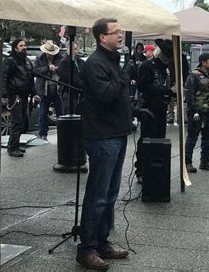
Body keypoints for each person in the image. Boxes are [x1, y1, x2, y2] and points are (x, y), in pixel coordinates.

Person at [77, 18, 153, 270]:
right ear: (102, 37)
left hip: (117, 134)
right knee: (98, 195)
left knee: (110, 195)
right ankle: (86, 249)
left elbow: (117, 96)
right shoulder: (94, 64)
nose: (120, 35)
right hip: (101, 137)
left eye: (121, 31)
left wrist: (135, 109)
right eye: (116, 32)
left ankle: (102, 242)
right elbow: (107, 95)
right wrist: (125, 74)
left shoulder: (112, 60)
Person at [135, 39, 175, 183]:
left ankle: (155, 168)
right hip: (149, 107)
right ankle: (141, 170)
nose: (168, 59)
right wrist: (167, 90)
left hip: (161, 107)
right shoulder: (147, 65)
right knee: (146, 139)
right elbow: (143, 86)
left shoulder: (166, 68)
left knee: (159, 138)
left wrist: (173, 92)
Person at [2, 38, 40, 157]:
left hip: (24, 96)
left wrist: (34, 93)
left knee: (22, 122)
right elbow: (4, 78)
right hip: (15, 95)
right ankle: (12, 147)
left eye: (25, 45)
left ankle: (15, 145)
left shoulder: (27, 61)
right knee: (17, 122)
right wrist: (5, 95)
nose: (24, 47)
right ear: (15, 48)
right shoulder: (10, 61)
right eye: (21, 45)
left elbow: (30, 80)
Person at [184, 53, 209, 173]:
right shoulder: (193, 76)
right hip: (197, 112)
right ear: (203, 62)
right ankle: (187, 162)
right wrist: (193, 110)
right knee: (192, 138)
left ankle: (205, 161)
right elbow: (189, 94)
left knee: (207, 137)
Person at [34, 40, 63, 140]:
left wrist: (57, 69)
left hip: (57, 87)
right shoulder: (39, 58)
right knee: (43, 113)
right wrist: (47, 68)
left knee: (60, 112)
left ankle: (62, 133)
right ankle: (43, 134)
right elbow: (36, 71)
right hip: (44, 89)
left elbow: (64, 69)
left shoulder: (60, 58)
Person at [56, 41, 85, 114]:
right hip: (68, 92)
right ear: (68, 49)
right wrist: (82, 84)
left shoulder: (80, 62)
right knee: (69, 113)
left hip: (80, 94)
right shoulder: (63, 63)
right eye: (73, 49)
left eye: (76, 49)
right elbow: (68, 78)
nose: (74, 51)